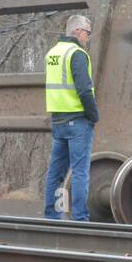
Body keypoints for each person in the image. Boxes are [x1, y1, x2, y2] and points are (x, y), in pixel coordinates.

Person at [44, 14, 99, 221]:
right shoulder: (77, 53)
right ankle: (80, 219)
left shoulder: (53, 53)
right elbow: (85, 90)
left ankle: (52, 216)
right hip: (78, 121)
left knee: (55, 172)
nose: (88, 37)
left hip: (58, 120)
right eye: (87, 33)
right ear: (77, 31)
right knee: (79, 172)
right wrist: (93, 115)